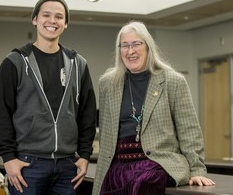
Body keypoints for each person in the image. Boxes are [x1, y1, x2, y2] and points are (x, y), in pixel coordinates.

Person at [92, 21, 215, 195]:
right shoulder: (107, 84)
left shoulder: (173, 81)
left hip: (159, 162)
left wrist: (197, 170)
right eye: (124, 45)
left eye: (136, 44)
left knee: (143, 182)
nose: (130, 51)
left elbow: (189, 131)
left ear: (148, 47)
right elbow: (106, 134)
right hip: (119, 163)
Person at [0, 0, 97, 195]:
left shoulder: (78, 64)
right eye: (46, 15)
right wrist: (8, 158)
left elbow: (87, 114)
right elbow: (0, 112)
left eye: (59, 17)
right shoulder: (15, 62)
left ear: (65, 24)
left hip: (68, 166)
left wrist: (84, 155)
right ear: (35, 20)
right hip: (27, 164)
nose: (52, 21)